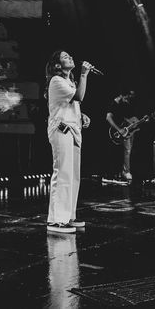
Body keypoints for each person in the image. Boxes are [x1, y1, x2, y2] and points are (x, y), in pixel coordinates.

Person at [45, 50, 92, 233]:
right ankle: (56, 220)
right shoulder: (56, 81)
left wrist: (82, 116)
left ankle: (68, 216)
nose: (70, 57)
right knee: (62, 174)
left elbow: (71, 103)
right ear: (57, 65)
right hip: (61, 129)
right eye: (65, 57)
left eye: (70, 55)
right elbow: (79, 96)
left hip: (74, 130)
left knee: (73, 176)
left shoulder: (69, 82)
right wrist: (83, 74)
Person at [105, 90, 139, 183]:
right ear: (122, 95)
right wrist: (119, 129)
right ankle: (125, 172)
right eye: (128, 97)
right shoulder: (115, 102)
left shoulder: (128, 103)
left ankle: (125, 171)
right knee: (126, 151)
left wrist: (135, 122)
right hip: (117, 131)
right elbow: (108, 117)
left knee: (128, 151)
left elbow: (129, 117)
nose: (129, 99)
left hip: (128, 131)